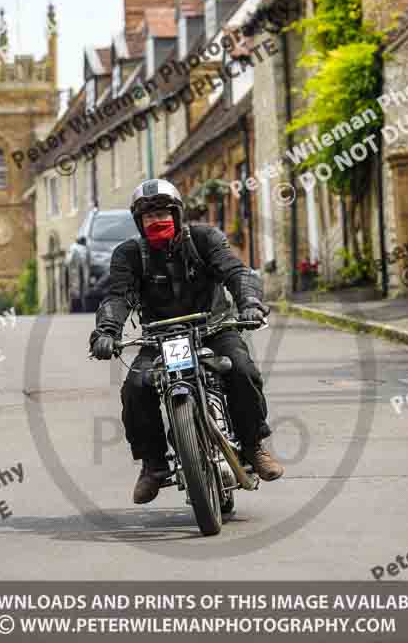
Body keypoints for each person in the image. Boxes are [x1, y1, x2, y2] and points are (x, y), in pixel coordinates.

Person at [89, 179, 284, 504]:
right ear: (139, 222)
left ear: (178, 213)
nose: (157, 220)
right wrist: (107, 331)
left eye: (163, 212)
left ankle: (253, 445)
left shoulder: (205, 239)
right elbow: (118, 296)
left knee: (241, 370)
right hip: (160, 337)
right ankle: (153, 465)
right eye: (148, 216)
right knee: (136, 387)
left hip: (215, 328)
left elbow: (236, 272)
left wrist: (249, 302)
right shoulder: (128, 255)